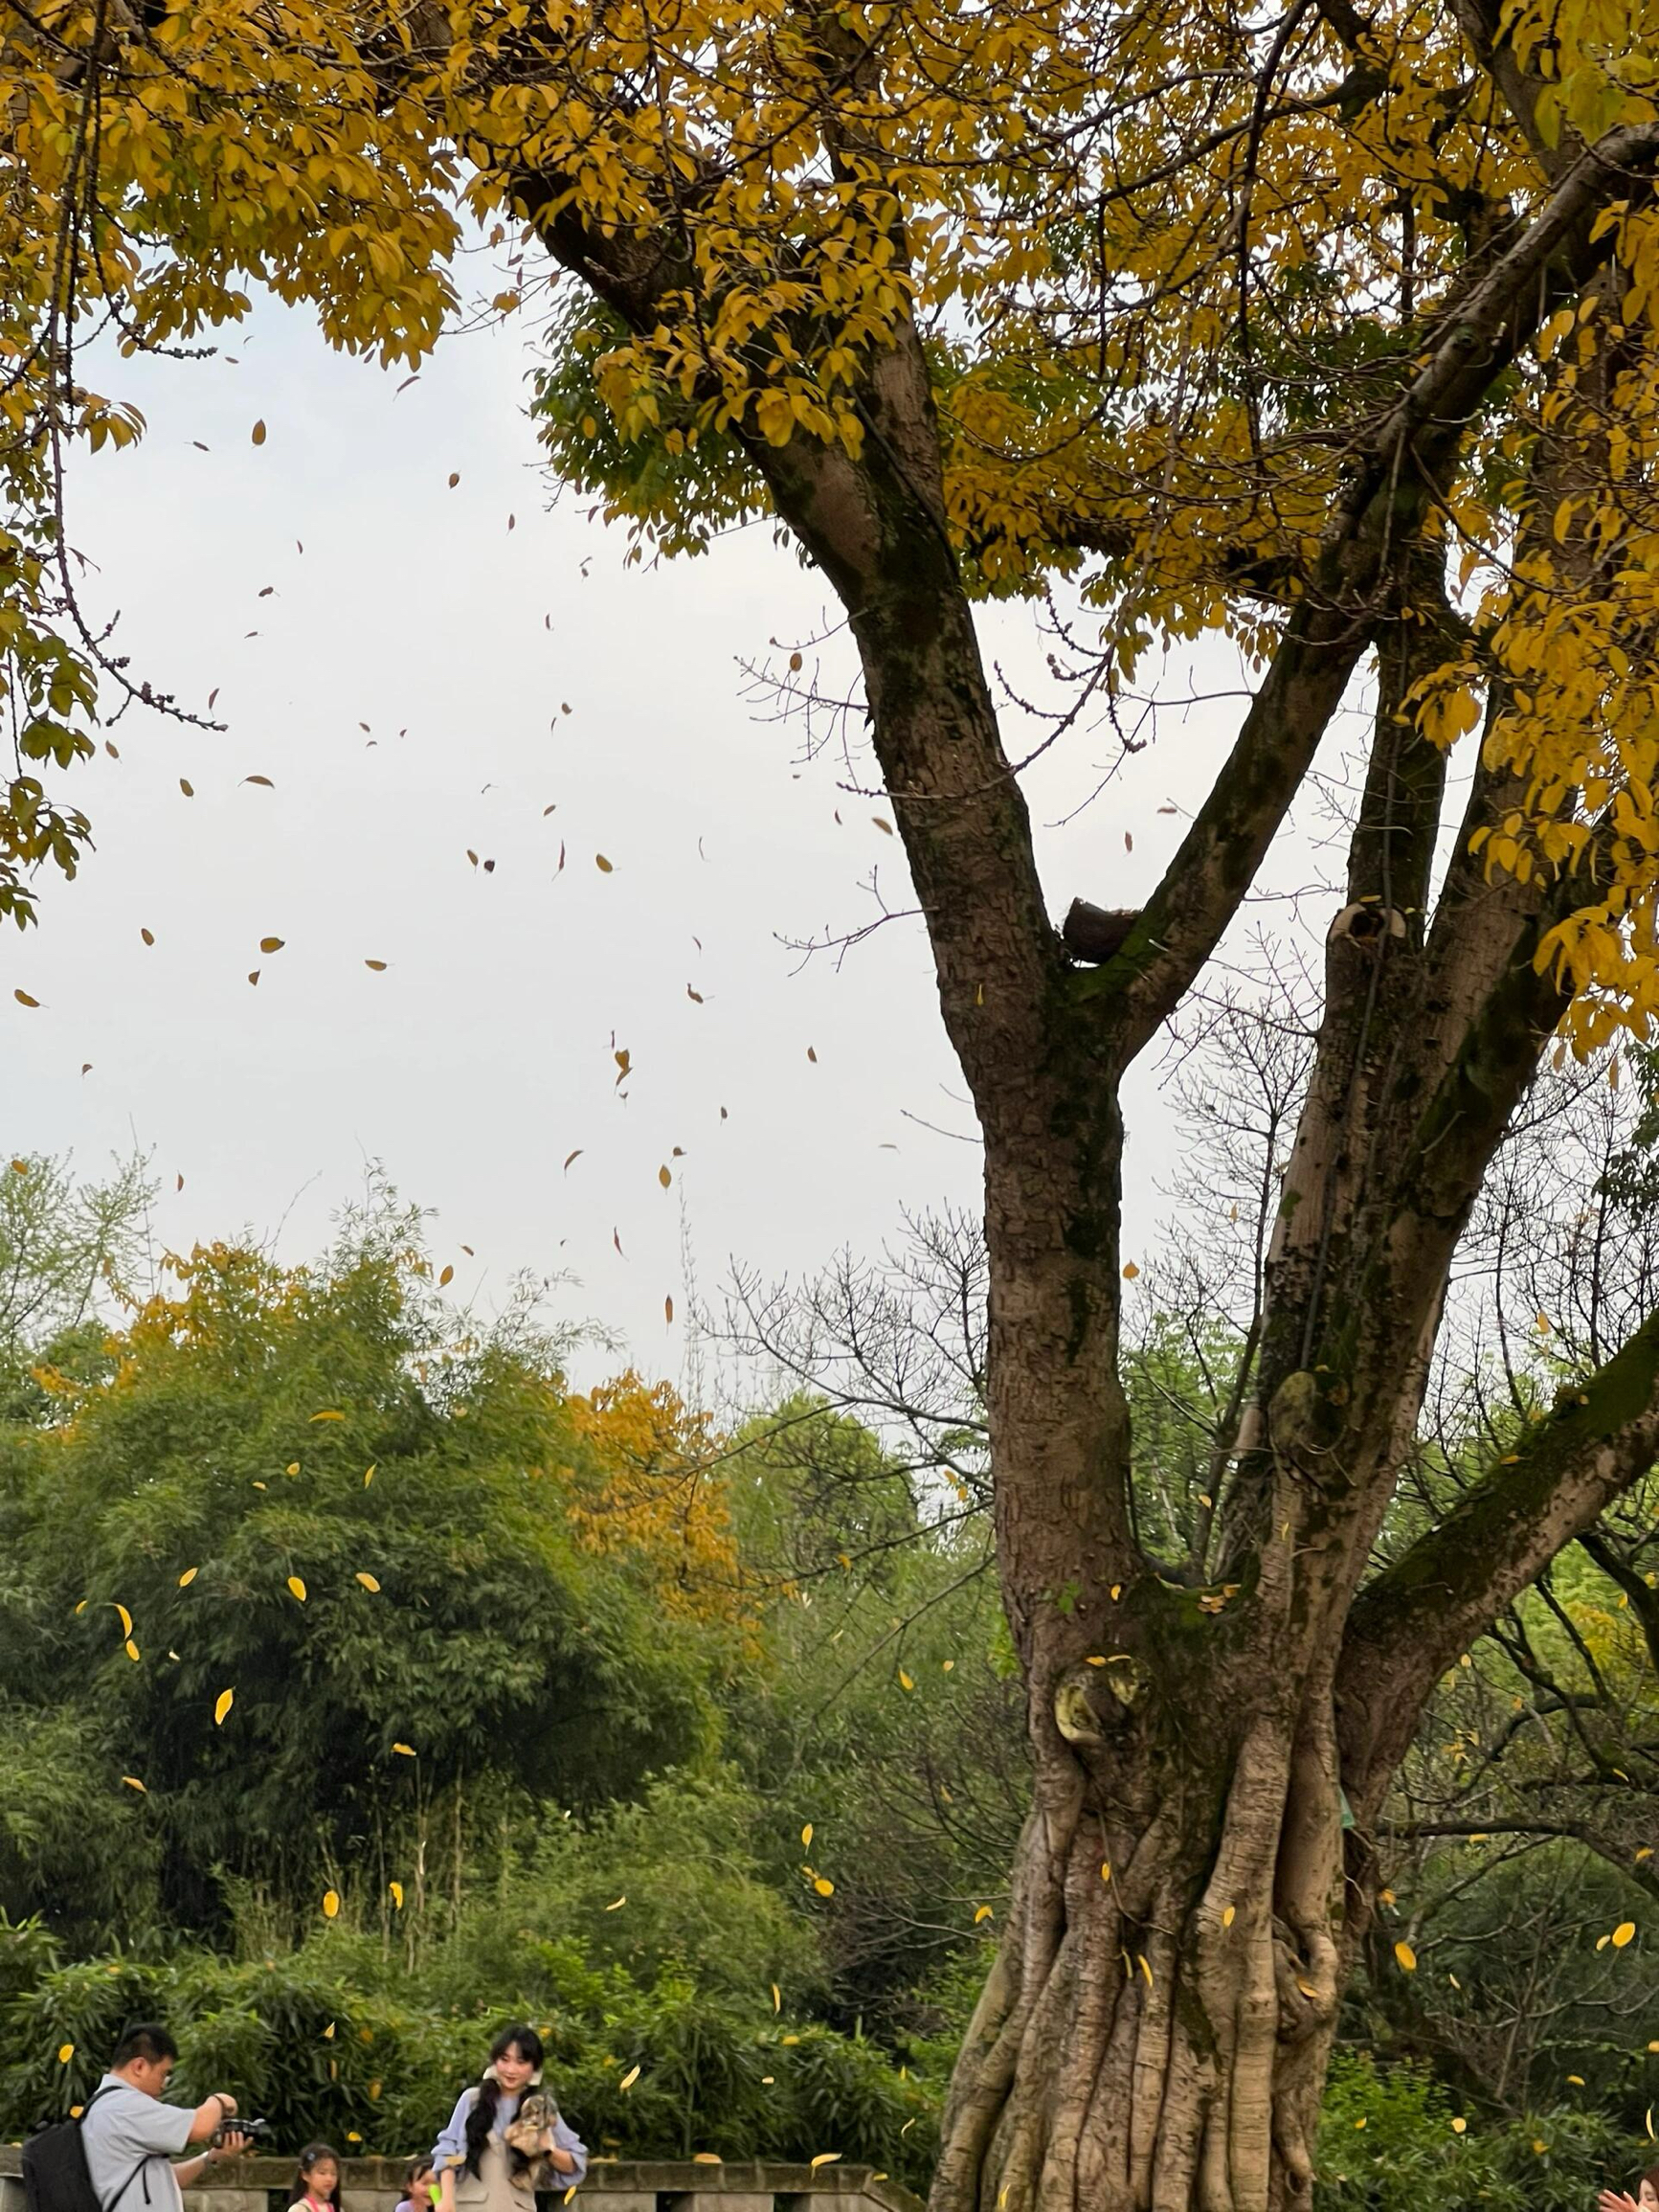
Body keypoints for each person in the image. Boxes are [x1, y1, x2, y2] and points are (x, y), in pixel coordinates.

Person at [79, 2022, 249, 2212]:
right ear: (139, 2066)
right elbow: (201, 2126)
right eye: (163, 2073)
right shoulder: (123, 2106)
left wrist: (210, 2157)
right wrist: (220, 2101)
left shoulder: (106, 2106)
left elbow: (166, 2180)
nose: (163, 2084)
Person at [432, 2024, 586, 2212]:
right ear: (494, 2061)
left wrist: (547, 2149)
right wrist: (446, 2200)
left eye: (521, 2062)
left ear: (534, 2067)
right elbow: (447, 2152)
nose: (511, 2069)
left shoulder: (540, 2107)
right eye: (504, 2059)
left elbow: (573, 2165)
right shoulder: (472, 2100)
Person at [286, 2146, 343, 2212]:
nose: (329, 2179)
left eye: (333, 2174)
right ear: (305, 2175)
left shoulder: (337, 2209)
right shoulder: (299, 2209)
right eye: (322, 2173)